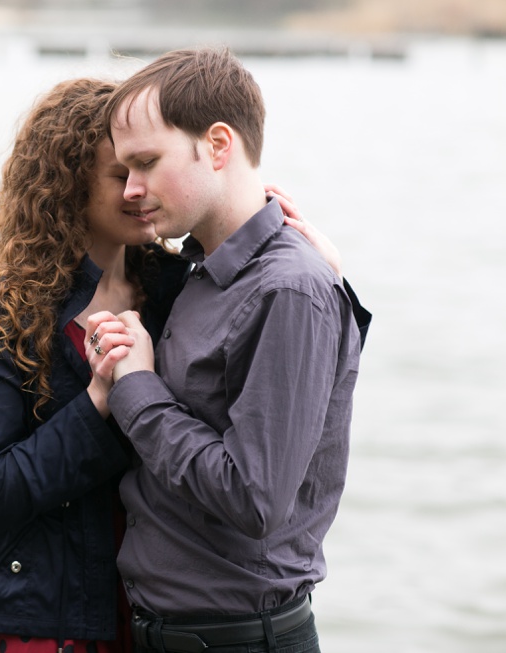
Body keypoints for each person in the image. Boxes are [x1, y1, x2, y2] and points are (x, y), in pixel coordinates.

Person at [0, 77, 368, 653]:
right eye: (122, 175)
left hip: (166, 611)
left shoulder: (175, 284)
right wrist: (98, 402)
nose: (140, 189)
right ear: (67, 188)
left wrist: (330, 285)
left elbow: (278, 395)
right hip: (51, 619)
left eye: (146, 166)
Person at [86, 47, 365, 653]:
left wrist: (137, 387)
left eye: (146, 163)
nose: (131, 189)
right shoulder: (201, 272)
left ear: (217, 145)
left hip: (237, 641)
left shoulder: (291, 287)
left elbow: (253, 498)